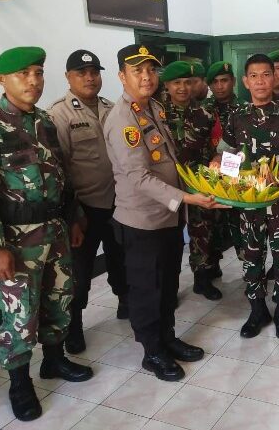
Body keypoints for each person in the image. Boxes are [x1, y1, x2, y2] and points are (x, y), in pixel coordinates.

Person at [0, 47, 93, 421]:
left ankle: (53, 361)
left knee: (59, 299)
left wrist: (74, 219)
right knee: (19, 314)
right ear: (1, 79)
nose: (33, 81)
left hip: (55, 230)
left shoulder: (45, 122)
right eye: (23, 74)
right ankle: (19, 383)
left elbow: (61, 175)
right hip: (16, 239)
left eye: (37, 72)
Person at [104, 44, 223, 382]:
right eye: (137, 70)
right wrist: (189, 198)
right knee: (146, 288)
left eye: (150, 70)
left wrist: (202, 187)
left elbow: (169, 161)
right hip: (142, 221)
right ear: (122, 76)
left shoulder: (153, 107)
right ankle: (152, 350)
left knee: (168, 283)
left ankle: (168, 337)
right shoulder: (123, 119)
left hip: (168, 219)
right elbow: (138, 177)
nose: (146, 76)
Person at [216, 53, 279, 339]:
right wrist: (227, 173)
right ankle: (257, 309)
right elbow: (225, 154)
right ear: (245, 81)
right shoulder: (236, 115)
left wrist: (276, 177)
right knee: (252, 257)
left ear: (275, 77)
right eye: (254, 76)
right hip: (249, 203)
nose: (260, 81)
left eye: (266, 74)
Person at [48, 49, 127, 355]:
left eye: (94, 71)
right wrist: (72, 214)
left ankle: (125, 302)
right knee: (79, 274)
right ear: (69, 77)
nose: (90, 78)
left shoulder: (111, 108)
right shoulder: (59, 114)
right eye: (82, 73)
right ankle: (75, 326)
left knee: (121, 259)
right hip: (83, 208)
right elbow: (59, 168)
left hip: (118, 203)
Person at [160, 60, 222, 300]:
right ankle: (170, 287)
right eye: (177, 83)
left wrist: (216, 159)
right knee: (170, 236)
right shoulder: (156, 112)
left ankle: (202, 279)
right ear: (167, 85)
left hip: (198, 182)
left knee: (202, 230)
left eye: (188, 82)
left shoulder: (205, 112)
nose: (183, 87)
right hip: (167, 184)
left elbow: (217, 146)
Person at [202, 61, 247, 263]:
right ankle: (207, 273)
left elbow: (248, 148)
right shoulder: (200, 111)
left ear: (233, 81)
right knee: (207, 231)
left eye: (224, 81)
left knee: (242, 232)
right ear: (209, 85)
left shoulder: (247, 110)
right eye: (215, 82)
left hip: (238, 184)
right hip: (208, 182)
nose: (220, 86)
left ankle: (251, 274)